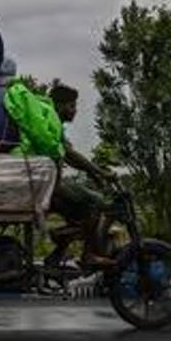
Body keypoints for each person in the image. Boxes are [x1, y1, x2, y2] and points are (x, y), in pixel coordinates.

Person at [44, 83, 118, 268]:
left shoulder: (52, 124)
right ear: (60, 106)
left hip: (48, 184)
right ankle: (88, 255)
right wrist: (100, 172)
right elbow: (70, 154)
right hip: (49, 187)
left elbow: (69, 157)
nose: (75, 110)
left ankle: (57, 254)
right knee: (95, 203)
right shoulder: (51, 123)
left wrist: (94, 173)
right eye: (72, 106)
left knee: (81, 215)